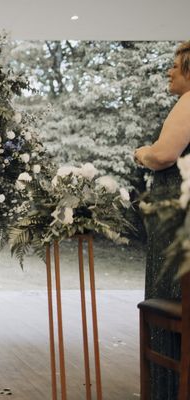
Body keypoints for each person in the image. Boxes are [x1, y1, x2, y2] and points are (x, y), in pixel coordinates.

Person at [135, 41, 190, 399]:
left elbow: (165, 154)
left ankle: (168, 389)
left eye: (174, 65)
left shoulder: (188, 102)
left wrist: (142, 153)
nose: (169, 71)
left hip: (175, 217)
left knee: (168, 290)